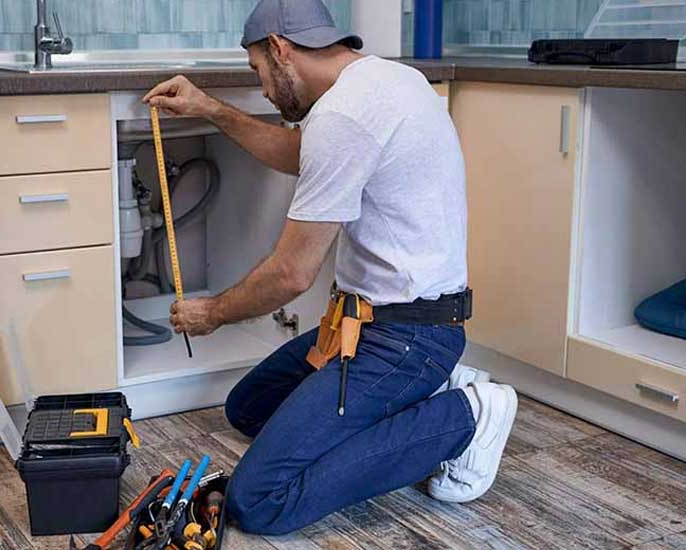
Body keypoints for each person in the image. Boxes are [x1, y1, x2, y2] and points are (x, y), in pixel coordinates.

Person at [143, 0, 518, 536]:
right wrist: (213, 109)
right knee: (248, 408)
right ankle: (423, 393)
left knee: (259, 500)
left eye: (258, 73)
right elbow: (302, 154)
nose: (266, 92)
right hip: (364, 325)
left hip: (405, 337)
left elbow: (291, 275)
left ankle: (466, 418)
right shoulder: (384, 80)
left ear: (280, 49)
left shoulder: (344, 116)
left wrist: (213, 313)